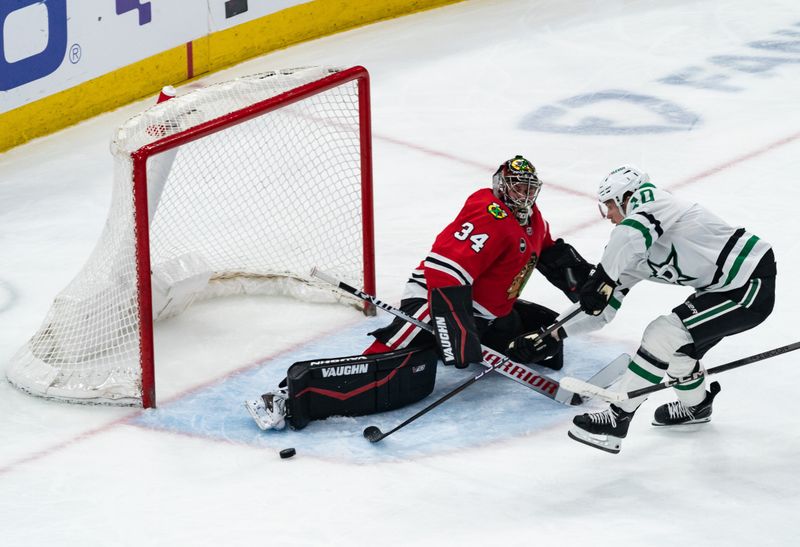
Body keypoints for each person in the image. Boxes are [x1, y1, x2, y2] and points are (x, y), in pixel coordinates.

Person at [245, 155, 594, 431]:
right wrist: (454, 331)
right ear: (501, 186)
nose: (524, 195)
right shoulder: (488, 215)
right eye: (517, 187)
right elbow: (445, 273)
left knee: (541, 331)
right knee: (388, 363)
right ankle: (285, 397)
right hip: (436, 301)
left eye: (529, 189)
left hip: (484, 315)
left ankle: (469, 336)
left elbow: (550, 254)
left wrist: (589, 283)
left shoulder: (534, 220)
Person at [546, 165, 775, 454]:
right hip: (719, 290)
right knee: (679, 350)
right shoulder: (631, 246)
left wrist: (603, 277)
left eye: (610, 207)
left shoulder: (654, 201)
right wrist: (552, 332)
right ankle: (696, 407)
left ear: (628, 196)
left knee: (663, 333)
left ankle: (618, 416)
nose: (610, 217)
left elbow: (628, 235)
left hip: (749, 282)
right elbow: (602, 308)